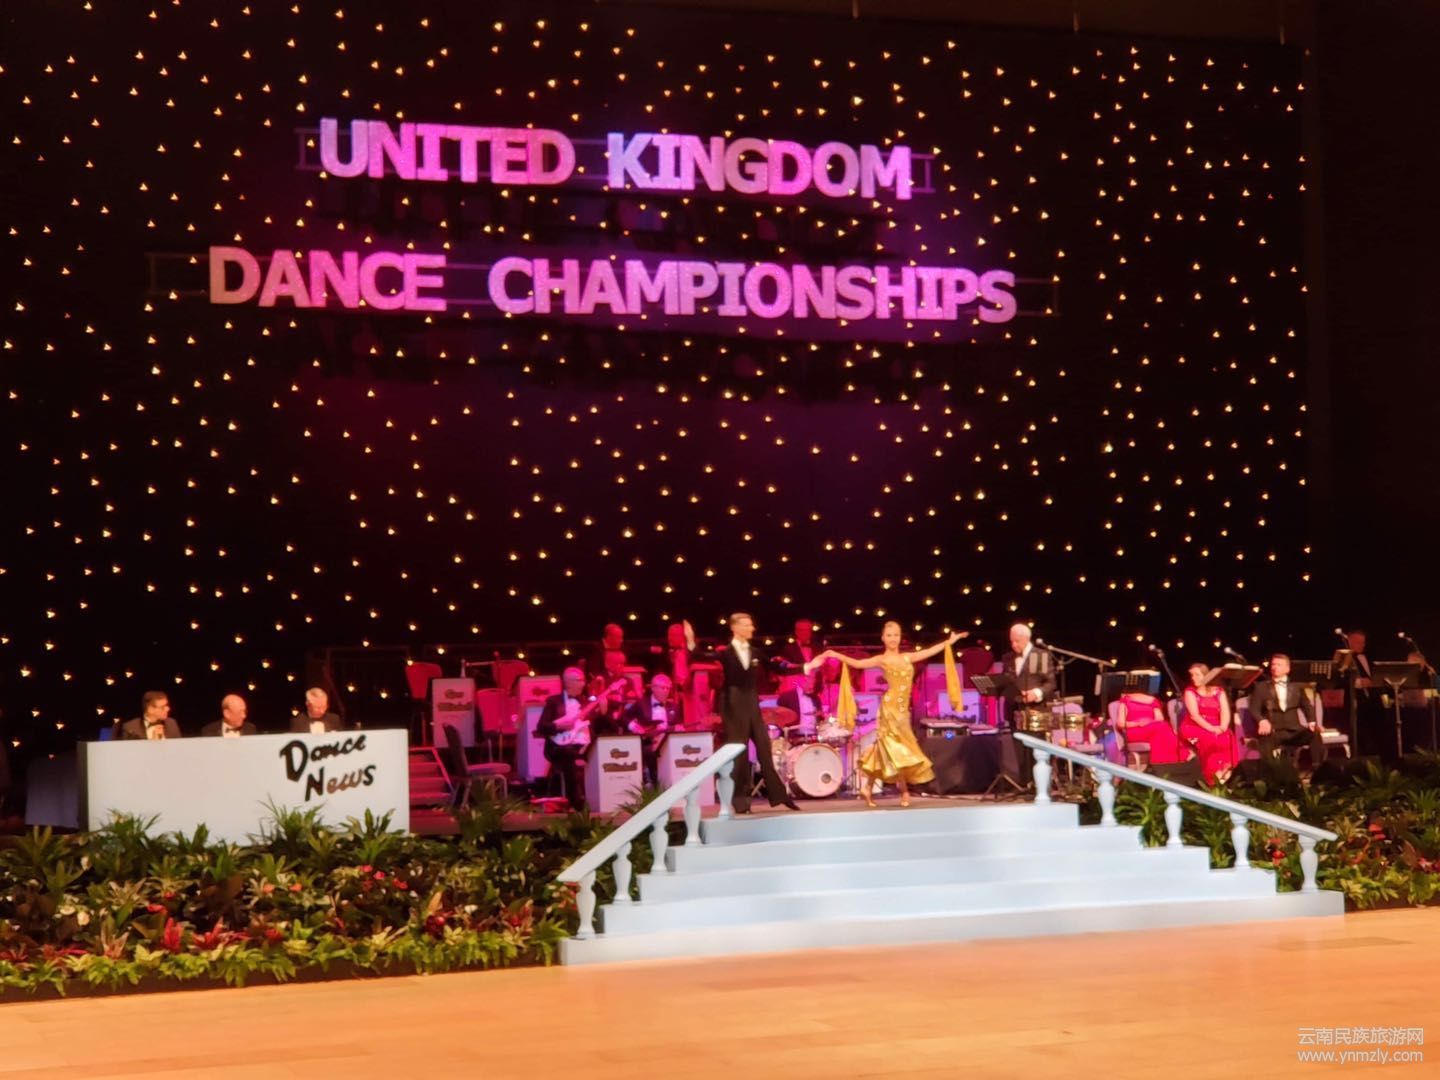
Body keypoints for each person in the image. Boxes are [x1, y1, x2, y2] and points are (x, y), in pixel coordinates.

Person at [810, 623, 967, 808]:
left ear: (900, 637)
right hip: (890, 710)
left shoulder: (908, 657)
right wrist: (835, 654)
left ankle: (868, 787)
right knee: (895, 748)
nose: (893, 639)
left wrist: (949, 642)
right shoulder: (882, 659)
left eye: (896, 635)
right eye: (889, 635)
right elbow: (858, 664)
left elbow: (929, 651)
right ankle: (904, 791)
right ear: (883, 638)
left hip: (903, 711)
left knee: (892, 750)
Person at [684, 614, 799, 814]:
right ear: (735, 628)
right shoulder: (726, 653)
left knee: (764, 747)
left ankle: (779, 795)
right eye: (747, 625)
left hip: (752, 704)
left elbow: (776, 668)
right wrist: (691, 642)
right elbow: (701, 656)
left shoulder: (755, 652)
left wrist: (805, 667)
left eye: (751, 625)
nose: (752, 628)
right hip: (733, 705)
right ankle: (740, 801)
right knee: (739, 754)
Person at [536, 667, 598, 810]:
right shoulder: (554, 702)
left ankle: (597, 798)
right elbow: (541, 727)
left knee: (601, 749)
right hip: (558, 747)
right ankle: (576, 801)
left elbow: (592, 724)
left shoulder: (585, 701)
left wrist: (602, 710)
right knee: (569, 756)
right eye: (579, 680)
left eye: (583, 680)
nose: (583, 684)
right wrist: (559, 726)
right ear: (568, 682)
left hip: (582, 745)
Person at [1249, 653, 1326, 766]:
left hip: (1295, 731)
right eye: (1273, 664)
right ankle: (1269, 771)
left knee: (1315, 734)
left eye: (1279, 665)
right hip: (1273, 731)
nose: (1275, 667)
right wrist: (1261, 720)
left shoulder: (1296, 686)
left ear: (1287, 669)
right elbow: (1254, 709)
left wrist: (1312, 721)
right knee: (1264, 739)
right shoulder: (1261, 687)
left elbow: (1307, 706)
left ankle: (1318, 768)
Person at [1181, 663, 1238, 783]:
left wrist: (1223, 727)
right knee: (1211, 737)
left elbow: (1225, 711)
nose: (1193, 678)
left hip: (1217, 725)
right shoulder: (1190, 692)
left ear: (1206, 675)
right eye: (1192, 675)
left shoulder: (1219, 691)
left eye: (1197, 675)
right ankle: (1211, 777)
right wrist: (1212, 729)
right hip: (1195, 726)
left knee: (1227, 735)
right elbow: (1194, 716)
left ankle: (1225, 773)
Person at [623, 673, 682, 786]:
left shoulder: (674, 707)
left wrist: (679, 729)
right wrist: (634, 727)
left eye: (668, 688)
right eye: (663, 688)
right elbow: (624, 717)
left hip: (668, 742)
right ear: (653, 688)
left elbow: (677, 725)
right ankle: (655, 783)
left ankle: (675, 783)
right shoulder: (641, 704)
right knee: (650, 752)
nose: (666, 691)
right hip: (648, 742)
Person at [1114, 691, 1190, 765]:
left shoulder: (1153, 701)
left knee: (1162, 727)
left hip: (1151, 728)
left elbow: (1160, 719)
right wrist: (1138, 723)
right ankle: (1173, 758)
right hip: (1134, 730)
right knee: (1162, 727)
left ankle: (1166, 761)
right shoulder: (1126, 700)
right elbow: (1121, 723)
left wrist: (1149, 722)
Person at [997, 623, 1056, 717]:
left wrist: (1036, 693)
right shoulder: (1007, 658)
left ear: (1027, 639)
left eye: (1017, 641)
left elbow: (1050, 683)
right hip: (1013, 712)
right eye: (1011, 641)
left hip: (1037, 711)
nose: (1013, 645)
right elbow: (1005, 682)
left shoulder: (1041, 656)